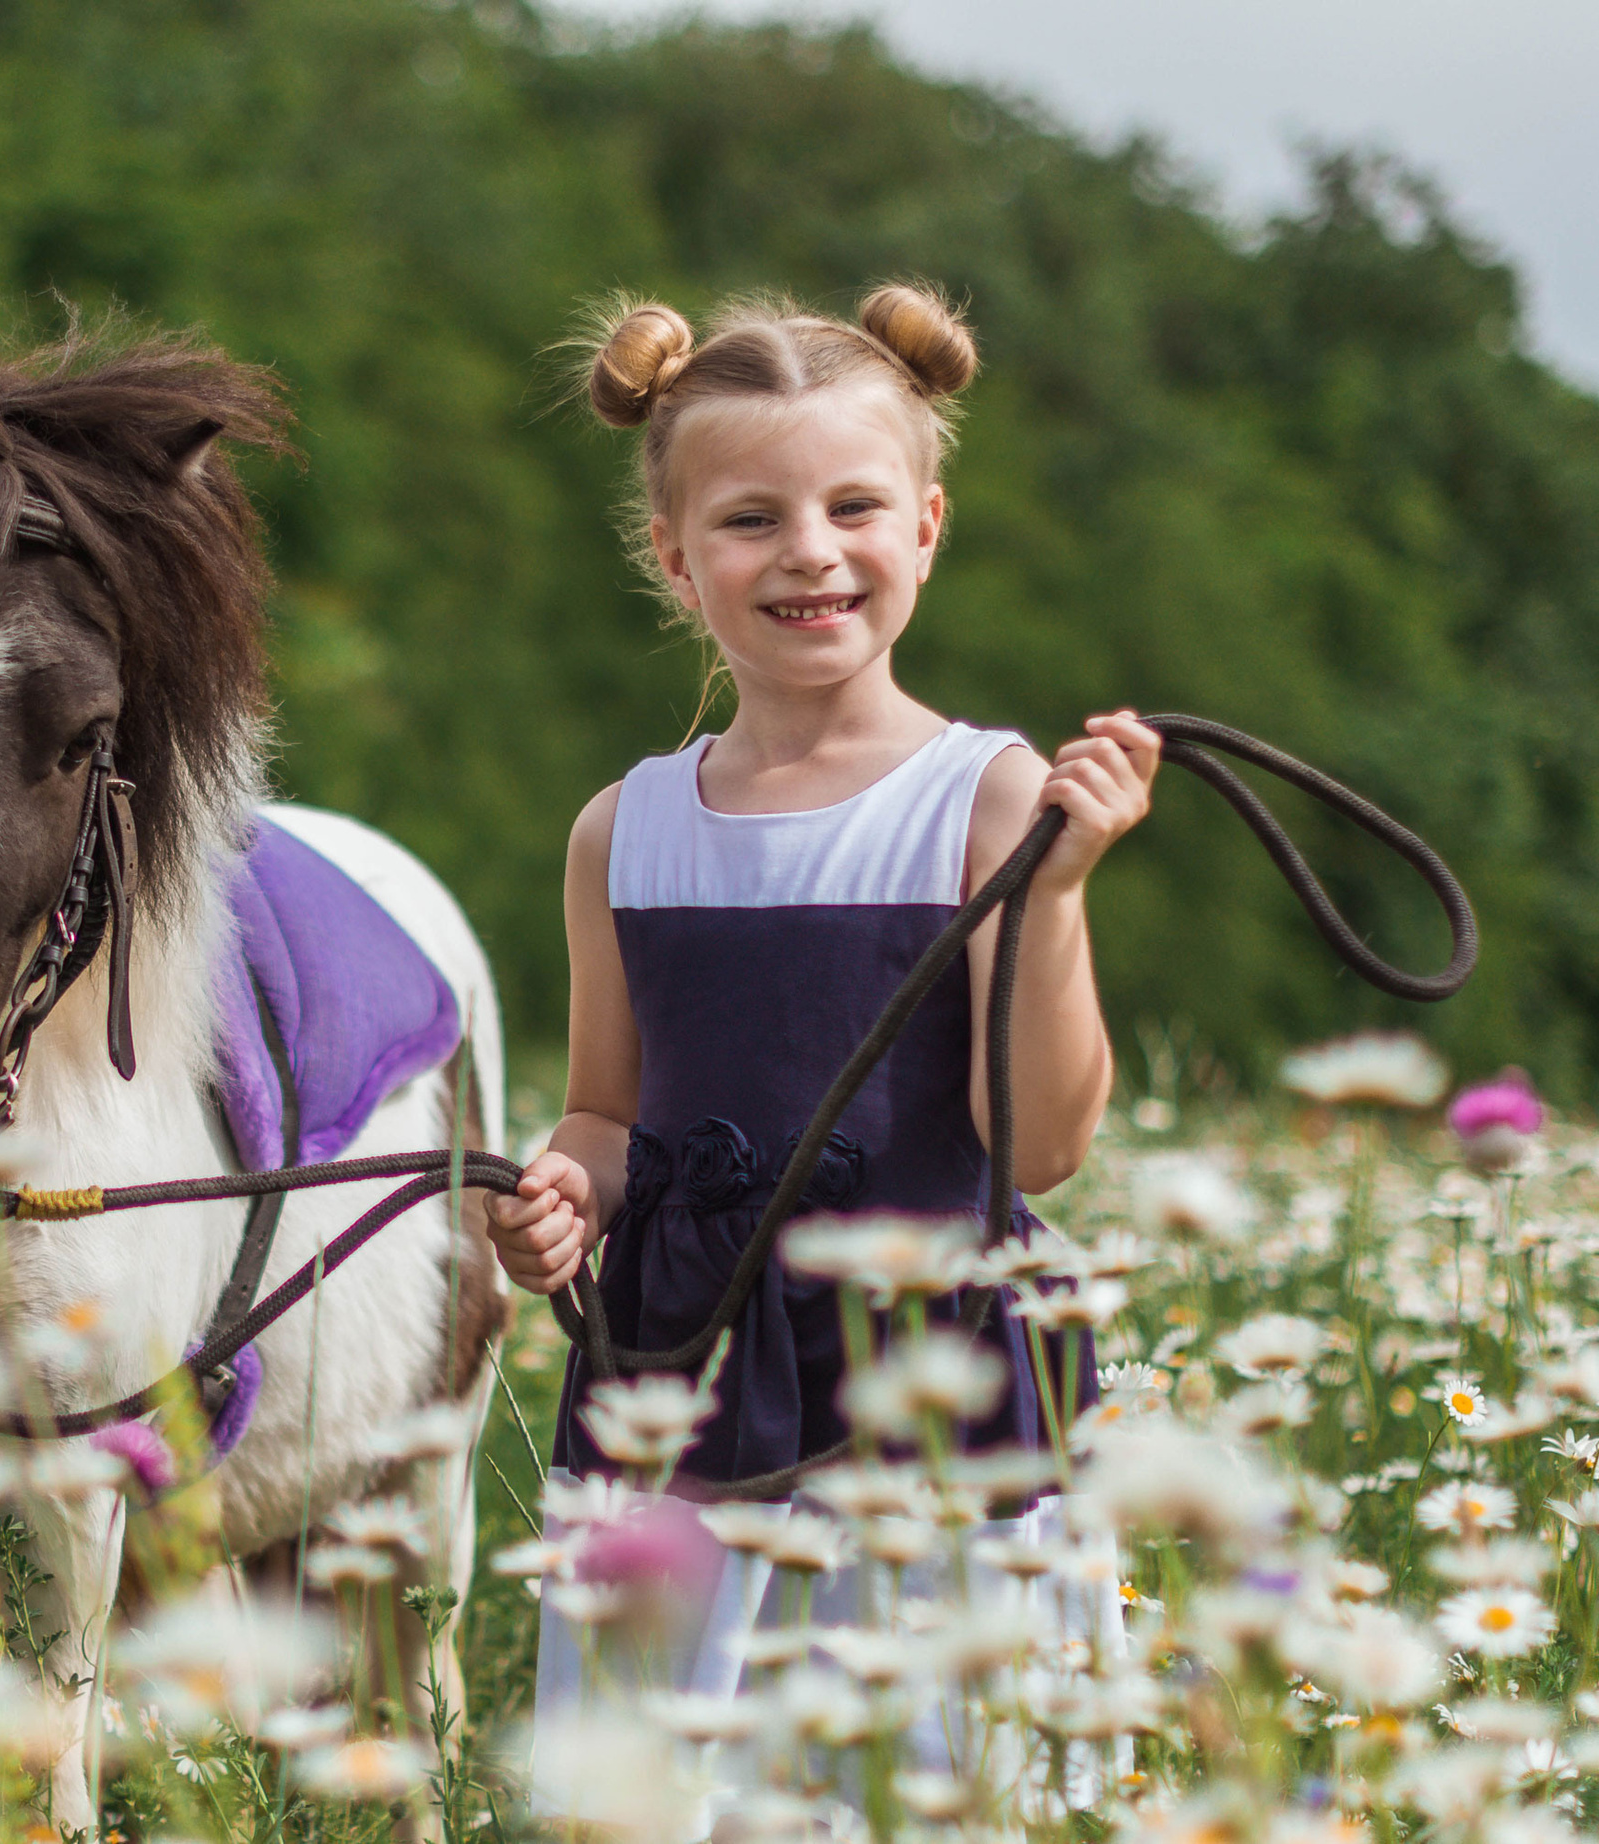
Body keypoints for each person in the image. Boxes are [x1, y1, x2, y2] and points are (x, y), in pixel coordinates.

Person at [487, 283, 1154, 1806]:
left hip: (929, 1378)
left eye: (855, 506)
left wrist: (1053, 892)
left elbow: (1043, 1145)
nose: (809, 551)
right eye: (749, 518)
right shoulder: (623, 830)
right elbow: (608, 1109)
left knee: (935, 1782)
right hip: (682, 1377)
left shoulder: (987, 800)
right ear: (672, 556)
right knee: (659, 1785)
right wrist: (564, 1192)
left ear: (925, 526)